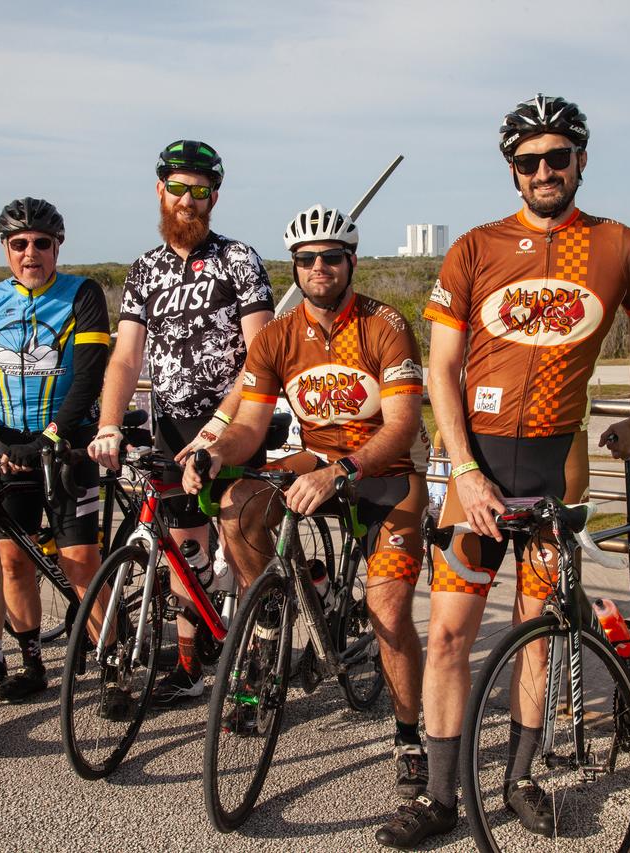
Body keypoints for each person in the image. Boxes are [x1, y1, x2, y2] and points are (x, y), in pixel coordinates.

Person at [377, 93, 630, 848]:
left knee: (538, 634)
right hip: (479, 470)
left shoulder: (621, 244)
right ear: (511, 170)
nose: (543, 171)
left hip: (556, 472)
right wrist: (463, 469)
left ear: (581, 161)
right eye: (528, 161)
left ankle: (520, 775)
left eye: (557, 157)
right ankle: (440, 796)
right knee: (448, 637)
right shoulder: (475, 246)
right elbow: (440, 369)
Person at [184, 204, 432, 798]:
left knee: (389, 611)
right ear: (293, 267)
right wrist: (217, 454)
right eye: (306, 260)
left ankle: (408, 737)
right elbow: (249, 424)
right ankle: (273, 610)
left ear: (350, 261)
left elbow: (399, 426)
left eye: (331, 258)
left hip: (388, 470)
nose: (318, 268)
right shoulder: (276, 336)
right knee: (240, 505)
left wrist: (342, 472)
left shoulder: (384, 324)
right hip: (318, 457)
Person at [89, 140, 273, 706]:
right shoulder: (145, 268)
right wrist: (109, 424)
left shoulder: (238, 259)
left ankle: (253, 666)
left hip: (235, 422)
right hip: (170, 422)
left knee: (241, 537)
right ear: (160, 191)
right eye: (178, 188)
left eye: (200, 190)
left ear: (214, 196)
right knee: (183, 552)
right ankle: (191, 664)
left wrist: (221, 427)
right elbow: (125, 357)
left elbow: (260, 355)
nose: (188, 200)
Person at [0, 197, 110, 702]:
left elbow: (87, 375)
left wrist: (55, 435)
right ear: (5, 248)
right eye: (19, 244)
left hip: (66, 450)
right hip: (6, 450)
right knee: (11, 560)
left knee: (79, 559)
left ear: (57, 246)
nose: (31, 252)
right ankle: (30, 662)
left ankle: (112, 664)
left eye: (42, 243)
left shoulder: (82, 294)